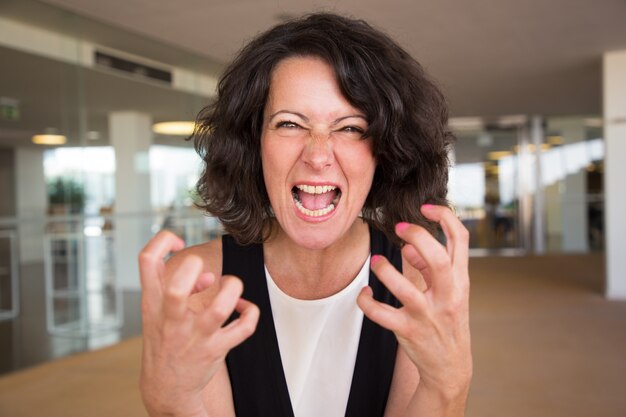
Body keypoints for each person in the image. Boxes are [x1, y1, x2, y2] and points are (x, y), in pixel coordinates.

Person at [138, 13, 472, 417]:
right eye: (290, 123)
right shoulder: (197, 285)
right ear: (254, 142)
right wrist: (169, 402)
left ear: (384, 150)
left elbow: (441, 395)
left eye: (349, 128)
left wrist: (449, 385)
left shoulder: (417, 287)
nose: (317, 155)